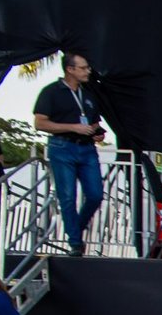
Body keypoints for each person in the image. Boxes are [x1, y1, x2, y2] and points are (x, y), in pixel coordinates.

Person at [32, 53, 106, 257]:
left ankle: (75, 229)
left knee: (95, 194)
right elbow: (40, 123)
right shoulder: (51, 92)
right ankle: (75, 242)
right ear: (70, 70)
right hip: (62, 147)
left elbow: (94, 122)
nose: (88, 71)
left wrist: (98, 133)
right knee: (67, 195)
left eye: (88, 67)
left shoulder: (88, 94)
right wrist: (72, 127)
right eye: (83, 68)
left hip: (87, 148)